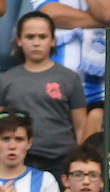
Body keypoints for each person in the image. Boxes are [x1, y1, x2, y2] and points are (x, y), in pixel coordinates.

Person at [0, 12, 86, 175]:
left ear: (53, 40)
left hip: (61, 161)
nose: (36, 43)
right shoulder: (5, 79)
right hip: (17, 161)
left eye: (42, 36)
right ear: (19, 40)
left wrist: (77, 161)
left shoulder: (70, 78)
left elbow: (81, 127)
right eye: (30, 37)